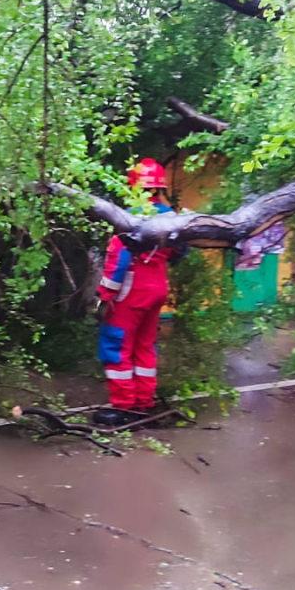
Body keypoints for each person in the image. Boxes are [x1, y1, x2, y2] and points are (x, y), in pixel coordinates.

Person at [93, 157, 181, 428]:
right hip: (158, 288)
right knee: (145, 345)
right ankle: (145, 401)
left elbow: (118, 260)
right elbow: (180, 252)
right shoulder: (173, 218)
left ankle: (124, 406)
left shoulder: (130, 217)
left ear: (134, 186)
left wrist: (105, 297)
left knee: (116, 345)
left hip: (131, 292)